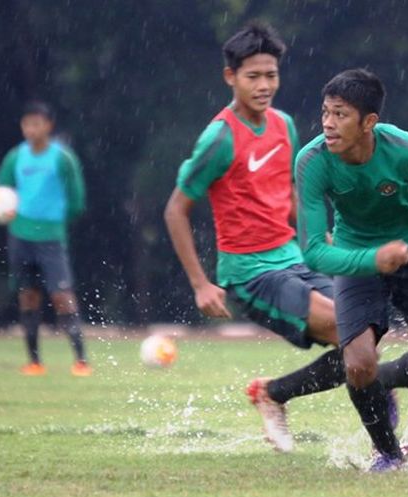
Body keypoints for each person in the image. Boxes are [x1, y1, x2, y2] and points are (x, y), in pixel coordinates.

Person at [164, 23, 394, 453]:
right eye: (253, 76)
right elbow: (176, 208)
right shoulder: (219, 138)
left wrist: (322, 239)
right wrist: (200, 284)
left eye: (271, 75)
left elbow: (288, 191)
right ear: (230, 77)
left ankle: (275, 393)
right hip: (250, 273)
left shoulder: (284, 125)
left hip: (296, 256)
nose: (264, 85)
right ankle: (387, 449)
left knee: (364, 344)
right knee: (349, 332)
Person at [296, 68, 408, 470]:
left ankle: (385, 380)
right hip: (355, 258)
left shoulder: (403, 149)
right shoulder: (311, 161)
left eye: (340, 114)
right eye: (325, 112)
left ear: (369, 122)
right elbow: (312, 252)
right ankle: (389, 455)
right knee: (358, 365)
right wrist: (372, 260)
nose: (328, 122)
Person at [0, 101, 90, 377]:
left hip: (50, 236)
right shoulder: (16, 157)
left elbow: (77, 200)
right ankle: (34, 361)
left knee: (62, 295)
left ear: (48, 125)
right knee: (28, 296)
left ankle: (81, 360)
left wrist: (55, 220)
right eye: (26, 124)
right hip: (20, 236)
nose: (31, 129)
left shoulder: (62, 158)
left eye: (36, 123)